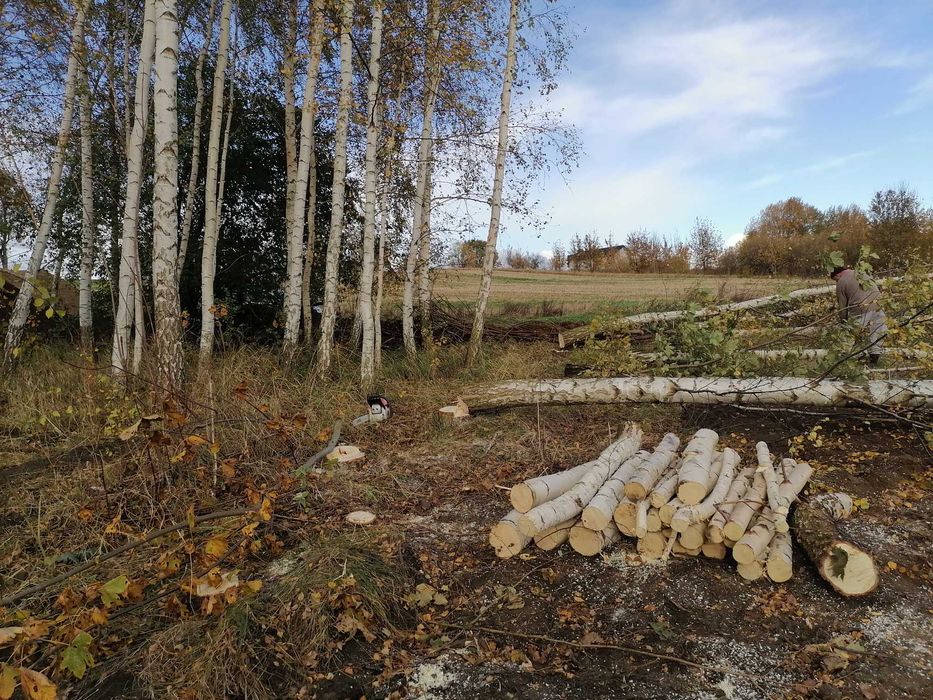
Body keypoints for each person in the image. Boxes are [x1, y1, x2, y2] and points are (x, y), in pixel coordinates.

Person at [830, 266, 887, 364]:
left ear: (837, 275)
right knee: (876, 334)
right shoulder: (862, 273)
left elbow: (843, 307)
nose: (836, 282)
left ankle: (841, 360)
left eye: (835, 280)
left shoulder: (842, 281)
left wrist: (844, 322)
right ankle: (874, 361)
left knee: (848, 336)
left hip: (860, 309)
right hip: (878, 305)